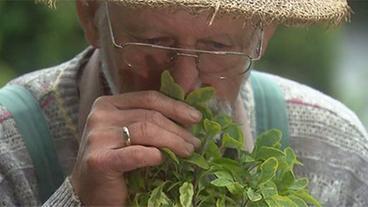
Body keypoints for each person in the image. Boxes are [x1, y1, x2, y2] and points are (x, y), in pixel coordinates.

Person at [0, 0, 367, 206]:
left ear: (263, 35)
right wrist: (77, 198)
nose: (183, 80)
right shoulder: (11, 144)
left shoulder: (335, 148)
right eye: (154, 42)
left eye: (217, 47)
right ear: (91, 18)